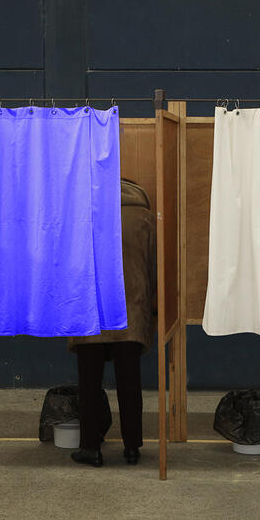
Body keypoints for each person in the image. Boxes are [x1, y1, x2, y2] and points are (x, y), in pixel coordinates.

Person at [68, 179, 156, 467]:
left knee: (89, 384)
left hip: (90, 310)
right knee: (130, 382)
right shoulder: (142, 216)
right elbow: (151, 266)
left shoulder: (79, 212)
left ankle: (91, 448)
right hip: (131, 309)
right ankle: (132, 448)